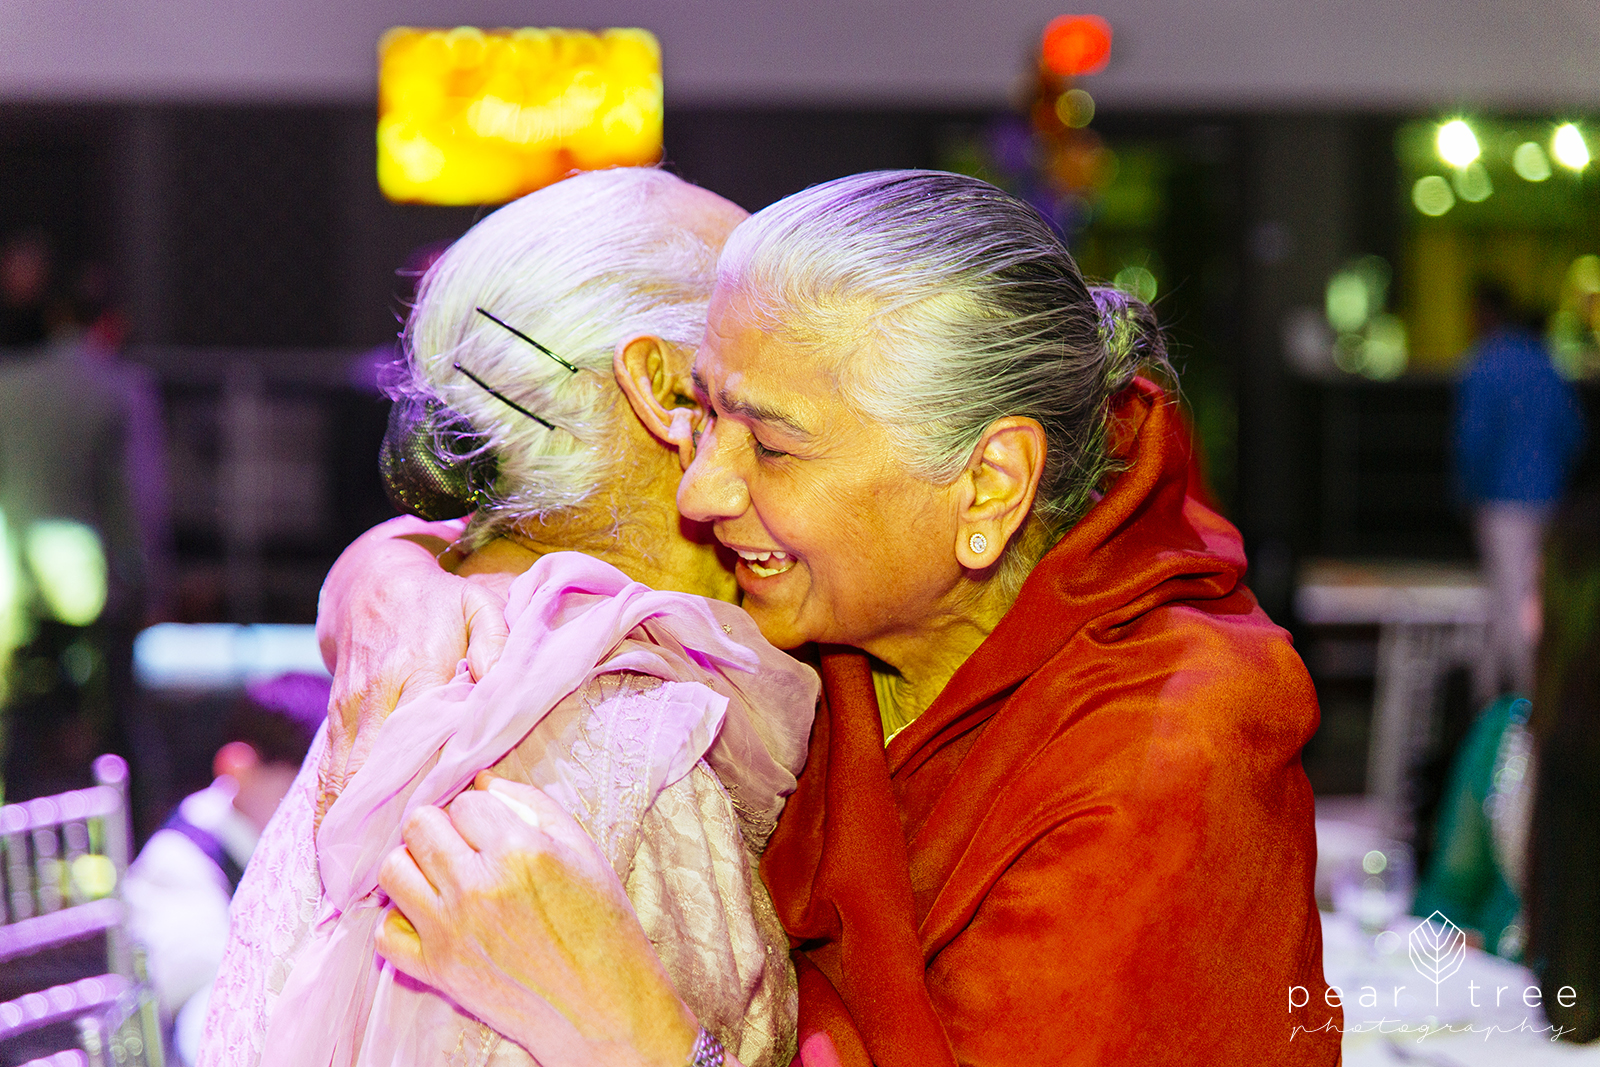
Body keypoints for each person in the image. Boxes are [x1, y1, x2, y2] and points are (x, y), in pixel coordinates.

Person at [320, 170, 1338, 1065]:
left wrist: (624, 1030)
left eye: (769, 445)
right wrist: (394, 572)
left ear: (988, 485)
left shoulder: (1168, 748)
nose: (701, 491)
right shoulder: (831, 603)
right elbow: (502, 530)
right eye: (705, 413)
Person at [197, 168, 818, 1067]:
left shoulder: (436, 652)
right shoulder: (626, 728)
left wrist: (384, 557)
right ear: (668, 390)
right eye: (764, 364)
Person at [122, 672, 327, 1064]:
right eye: (303, 790)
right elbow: (199, 1015)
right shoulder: (178, 861)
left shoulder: (262, 844)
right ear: (239, 768)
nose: (320, 809)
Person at [1454, 281, 1586, 697]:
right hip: (1547, 499)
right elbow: (1574, 435)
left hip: (1500, 500)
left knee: (1513, 601)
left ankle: (1528, 701)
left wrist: (1466, 494)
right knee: (1525, 598)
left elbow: (1472, 443)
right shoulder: (1547, 364)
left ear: (1486, 313)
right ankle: (1491, 697)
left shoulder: (1485, 364)